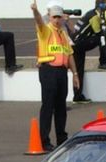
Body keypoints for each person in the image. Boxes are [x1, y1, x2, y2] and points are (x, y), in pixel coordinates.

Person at [31, 0, 79, 152]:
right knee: (48, 106)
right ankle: (44, 140)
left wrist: (75, 74)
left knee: (61, 107)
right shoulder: (46, 30)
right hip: (48, 70)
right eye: (54, 17)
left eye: (59, 17)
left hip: (61, 72)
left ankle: (61, 138)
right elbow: (39, 21)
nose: (57, 20)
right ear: (49, 17)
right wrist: (35, 11)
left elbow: (70, 54)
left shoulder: (63, 34)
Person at [71, 0, 106, 104]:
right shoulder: (95, 17)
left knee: (78, 71)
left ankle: (77, 96)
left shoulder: (90, 12)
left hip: (75, 43)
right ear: (102, 6)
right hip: (78, 44)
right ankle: (103, 62)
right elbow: (98, 32)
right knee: (102, 38)